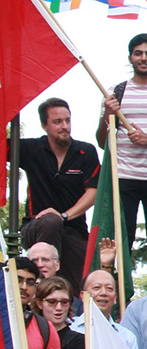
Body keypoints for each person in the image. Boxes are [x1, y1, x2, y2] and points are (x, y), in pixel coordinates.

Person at [99, 33, 147, 290]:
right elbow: (101, 140)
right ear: (130, 56)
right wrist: (107, 115)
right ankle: (119, 294)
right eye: (138, 53)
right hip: (124, 176)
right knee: (122, 239)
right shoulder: (115, 93)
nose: (143, 58)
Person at [18, 98, 100, 290]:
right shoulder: (30, 149)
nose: (65, 126)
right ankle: (42, 290)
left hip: (74, 229)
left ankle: (75, 311)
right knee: (50, 222)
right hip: (35, 226)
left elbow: (94, 193)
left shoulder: (85, 152)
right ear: (44, 125)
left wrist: (64, 216)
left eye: (67, 120)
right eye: (57, 122)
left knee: (85, 281)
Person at [70, 269, 138, 349]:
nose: (103, 293)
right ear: (83, 296)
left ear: (115, 298)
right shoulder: (70, 329)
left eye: (109, 289)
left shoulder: (126, 337)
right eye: (97, 288)